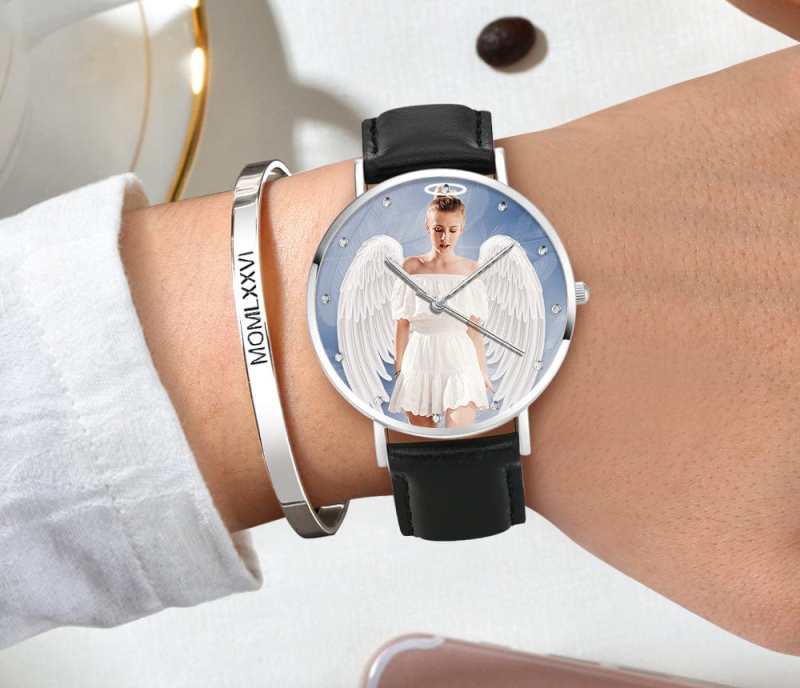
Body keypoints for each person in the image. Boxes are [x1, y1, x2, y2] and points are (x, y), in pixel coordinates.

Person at [0, 45, 798, 657]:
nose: (442, 234)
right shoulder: (398, 262)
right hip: (417, 373)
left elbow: (489, 317)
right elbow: (389, 319)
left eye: (451, 225)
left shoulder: (484, 264)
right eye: (438, 225)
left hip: (473, 370)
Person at [388, 190, 492, 428]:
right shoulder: (411, 267)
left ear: (461, 229)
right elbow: (402, 324)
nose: (445, 237)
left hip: (460, 359)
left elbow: (474, 329)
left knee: (457, 435)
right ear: (427, 227)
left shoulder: (471, 269)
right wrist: (399, 369)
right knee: (425, 436)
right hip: (419, 359)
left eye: (452, 230)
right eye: (438, 229)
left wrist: (482, 371)